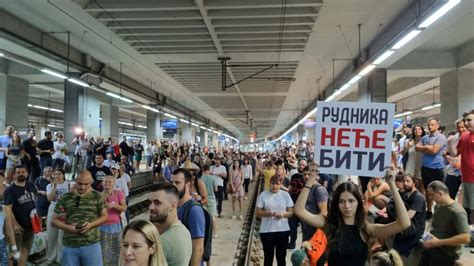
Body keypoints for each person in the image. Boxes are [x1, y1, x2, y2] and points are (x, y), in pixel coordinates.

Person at [295, 167, 411, 266]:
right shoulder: (329, 224)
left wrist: (391, 184)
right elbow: (299, 210)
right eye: (342, 201)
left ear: (358, 203)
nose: (347, 206)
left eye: (351, 201)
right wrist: (310, 179)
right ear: (337, 203)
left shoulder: (367, 229)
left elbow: (404, 223)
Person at [51, 170, 108, 265]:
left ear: (91, 183)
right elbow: (53, 221)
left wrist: (91, 225)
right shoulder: (65, 197)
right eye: (80, 183)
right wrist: (68, 228)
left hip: (91, 244)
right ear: (75, 181)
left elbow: (105, 216)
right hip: (70, 245)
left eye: (86, 184)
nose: (82, 187)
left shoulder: (97, 196)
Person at [419, 181, 470, 265]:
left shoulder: (457, 212)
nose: (430, 198)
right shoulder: (438, 206)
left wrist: (438, 242)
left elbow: (465, 237)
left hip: (445, 253)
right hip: (433, 248)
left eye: (432, 195)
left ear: (440, 193)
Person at [149, 183, 192, 266]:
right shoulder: (185, 231)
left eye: (157, 203)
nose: (150, 207)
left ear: (173, 205)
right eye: (150, 202)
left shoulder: (163, 241)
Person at [256, 174, 294, 266]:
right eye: (273, 183)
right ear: (270, 184)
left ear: (281, 185)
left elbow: (291, 212)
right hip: (267, 231)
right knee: (268, 258)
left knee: (281, 258)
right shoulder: (263, 195)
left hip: (283, 230)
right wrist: (268, 213)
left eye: (277, 184)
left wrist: (283, 214)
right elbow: (258, 212)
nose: (275, 186)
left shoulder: (285, 195)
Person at [3, 165, 37, 266]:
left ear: (27, 173)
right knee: (13, 252)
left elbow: (34, 201)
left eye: (23, 172)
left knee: (25, 248)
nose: (21, 174)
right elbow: (8, 209)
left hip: (29, 225)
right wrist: (14, 224)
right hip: (16, 227)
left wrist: (36, 218)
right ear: (14, 174)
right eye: (18, 172)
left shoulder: (31, 185)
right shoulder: (10, 190)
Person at [172, 168, 205, 266]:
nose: (173, 186)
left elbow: (198, 249)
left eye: (177, 183)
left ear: (187, 185)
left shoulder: (194, 210)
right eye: (172, 182)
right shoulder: (174, 206)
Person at [416, 117, 447, 219]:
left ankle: (439, 211)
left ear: (437, 125)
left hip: (437, 169)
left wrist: (425, 148)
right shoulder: (425, 138)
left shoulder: (441, 137)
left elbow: (434, 151)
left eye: (432, 125)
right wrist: (428, 147)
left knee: (438, 191)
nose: (430, 127)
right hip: (426, 168)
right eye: (429, 125)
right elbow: (417, 148)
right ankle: (429, 211)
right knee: (427, 191)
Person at [392, 174, 426, 263]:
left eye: (408, 181)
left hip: (415, 229)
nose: (405, 183)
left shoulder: (418, 197)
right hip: (408, 227)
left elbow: (409, 216)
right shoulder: (407, 194)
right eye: (404, 181)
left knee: (397, 252)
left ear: (414, 183)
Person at [46, 168, 74, 264]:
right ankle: (51, 257)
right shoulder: (49, 186)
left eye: (59, 174)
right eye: (55, 174)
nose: (57, 176)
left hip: (64, 210)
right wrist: (54, 187)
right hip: (53, 209)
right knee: (51, 234)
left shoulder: (69, 184)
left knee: (62, 235)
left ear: (63, 175)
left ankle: (60, 258)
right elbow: (50, 199)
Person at [455, 109, 474, 240]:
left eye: (469, 120)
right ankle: (471, 236)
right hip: (466, 178)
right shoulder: (464, 136)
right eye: (465, 120)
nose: (466, 123)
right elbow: (457, 153)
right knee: (468, 209)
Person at [100, 175, 127, 266]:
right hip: (102, 225)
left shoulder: (118, 193)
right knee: (104, 247)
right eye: (105, 181)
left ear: (113, 183)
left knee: (116, 247)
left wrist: (114, 205)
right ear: (102, 183)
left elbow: (124, 207)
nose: (107, 183)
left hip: (116, 224)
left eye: (109, 182)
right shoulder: (99, 195)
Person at [288, 159, 307, 249]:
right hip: (293, 205)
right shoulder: (294, 176)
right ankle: (292, 243)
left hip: (304, 207)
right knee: (292, 226)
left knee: (305, 229)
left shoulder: (307, 178)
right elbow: (291, 189)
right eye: (300, 164)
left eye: (303, 165)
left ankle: (304, 247)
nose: (301, 166)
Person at [403, 124, 425, 194]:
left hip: (421, 166)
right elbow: (402, 153)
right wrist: (407, 147)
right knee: (409, 185)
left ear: (422, 131)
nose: (417, 131)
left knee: (420, 187)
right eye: (415, 129)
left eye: (419, 129)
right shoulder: (408, 141)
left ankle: (422, 202)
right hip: (410, 165)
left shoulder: (425, 141)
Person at [200, 165, 218, 238]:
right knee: (213, 216)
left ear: (202, 169)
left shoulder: (201, 179)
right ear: (209, 169)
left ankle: (203, 232)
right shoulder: (213, 178)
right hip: (211, 198)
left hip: (203, 198)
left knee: (203, 216)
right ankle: (214, 233)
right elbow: (216, 189)